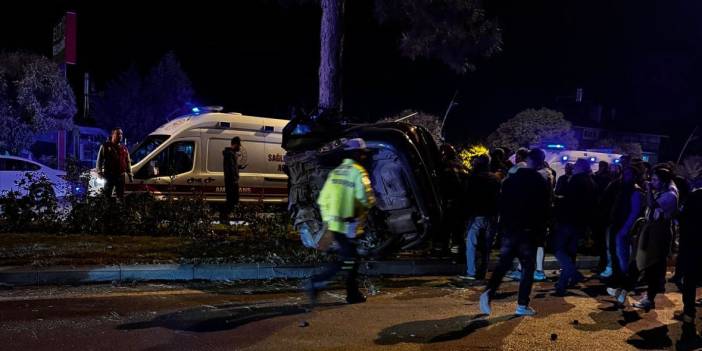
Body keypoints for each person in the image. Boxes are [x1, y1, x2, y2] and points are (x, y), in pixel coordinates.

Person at [480, 148, 551, 316]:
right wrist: (541, 230)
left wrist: (504, 225)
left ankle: (489, 291)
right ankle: (522, 304)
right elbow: (543, 209)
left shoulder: (511, 179)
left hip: (511, 229)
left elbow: (501, 203)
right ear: (540, 161)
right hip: (529, 230)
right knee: (528, 268)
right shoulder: (540, 182)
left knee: (503, 264)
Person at [308, 138, 376, 305]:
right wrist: (372, 204)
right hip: (349, 225)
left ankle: (351, 293)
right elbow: (366, 198)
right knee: (348, 260)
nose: (364, 157)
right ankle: (317, 282)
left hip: (335, 225)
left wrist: (330, 221)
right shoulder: (358, 172)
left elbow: (323, 199)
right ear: (356, 154)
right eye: (362, 153)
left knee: (349, 259)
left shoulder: (336, 172)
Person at [628, 166, 678, 310]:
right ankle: (648, 292)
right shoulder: (664, 190)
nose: (652, 182)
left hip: (659, 232)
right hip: (654, 230)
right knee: (650, 263)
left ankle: (650, 298)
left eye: (655, 180)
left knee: (654, 265)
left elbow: (651, 204)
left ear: (663, 181)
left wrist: (649, 189)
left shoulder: (670, 195)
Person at [554, 159, 598, 295]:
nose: (573, 168)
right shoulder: (591, 182)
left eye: (576, 166)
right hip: (581, 222)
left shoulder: (576, 180)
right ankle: (563, 283)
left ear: (580, 167)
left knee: (559, 249)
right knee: (571, 251)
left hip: (569, 219)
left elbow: (567, 199)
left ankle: (574, 274)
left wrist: (558, 200)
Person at [604, 163, 645, 305]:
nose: (624, 176)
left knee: (623, 257)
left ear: (634, 176)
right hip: (616, 224)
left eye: (628, 174)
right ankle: (618, 282)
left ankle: (623, 285)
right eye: (624, 174)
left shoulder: (635, 191)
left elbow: (634, 212)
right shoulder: (624, 188)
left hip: (623, 227)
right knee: (615, 254)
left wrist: (625, 229)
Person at [462, 154, 501, 280]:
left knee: (471, 245)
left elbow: (468, 199)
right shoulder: (495, 179)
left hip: (477, 215)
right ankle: (483, 271)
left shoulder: (473, 178)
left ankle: (471, 272)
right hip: (492, 216)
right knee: (486, 247)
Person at [676, 175, 702, 325]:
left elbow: (682, 217)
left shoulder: (694, 196)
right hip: (694, 244)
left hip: (692, 244)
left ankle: (689, 313)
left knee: (690, 281)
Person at [96, 127, 133, 199]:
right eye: (118, 134)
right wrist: (99, 172)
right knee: (107, 196)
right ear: (112, 134)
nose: (120, 136)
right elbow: (99, 160)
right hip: (109, 175)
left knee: (120, 197)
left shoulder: (124, 148)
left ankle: (118, 209)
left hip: (121, 176)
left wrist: (130, 174)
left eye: (121, 134)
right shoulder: (105, 146)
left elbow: (128, 162)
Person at [220, 137, 242, 223]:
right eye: (239, 145)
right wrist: (235, 180)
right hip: (231, 182)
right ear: (235, 144)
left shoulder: (230, 154)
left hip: (230, 181)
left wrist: (238, 167)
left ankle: (224, 217)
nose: (239, 147)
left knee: (231, 200)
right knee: (233, 200)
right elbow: (231, 169)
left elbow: (232, 167)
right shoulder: (230, 154)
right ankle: (224, 216)